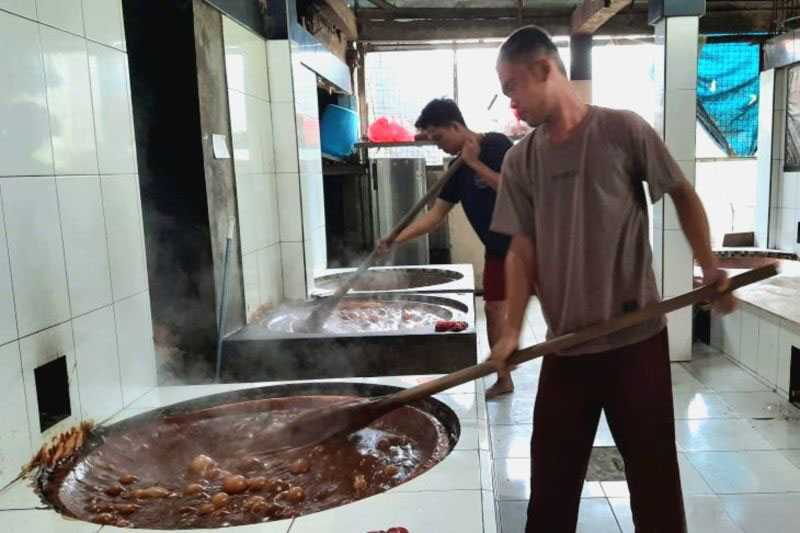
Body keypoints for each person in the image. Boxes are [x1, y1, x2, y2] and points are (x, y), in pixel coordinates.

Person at [487, 26, 735, 532]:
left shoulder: (624, 130)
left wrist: (708, 262)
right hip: (567, 349)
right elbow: (520, 249)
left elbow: (681, 193)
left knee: (655, 484)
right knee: (551, 491)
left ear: (544, 69)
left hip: (635, 343)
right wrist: (512, 329)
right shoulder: (521, 159)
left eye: (512, 86)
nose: (511, 102)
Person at [377, 98, 516, 399]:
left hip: (531, 243)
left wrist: (476, 163)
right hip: (497, 250)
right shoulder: (455, 169)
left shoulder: (495, 145)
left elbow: (513, 188)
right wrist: (394, 239)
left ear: (456, 126)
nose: (438, 145)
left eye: (439, 137)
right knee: (493, 310)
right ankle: (503, 377)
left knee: (555, 307)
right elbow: (434, 216)